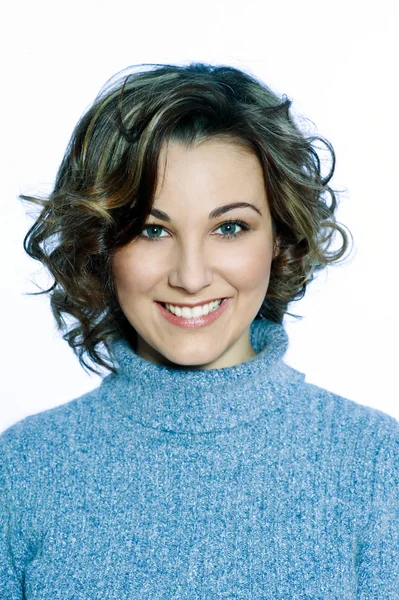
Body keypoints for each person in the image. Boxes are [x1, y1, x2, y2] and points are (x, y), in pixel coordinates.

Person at [1, 62, 398, 598]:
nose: (190, 277)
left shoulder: (376, 464)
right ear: (103, 244)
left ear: (280, 240)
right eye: (151, 229)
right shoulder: (22, 470)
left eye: (229, 228)